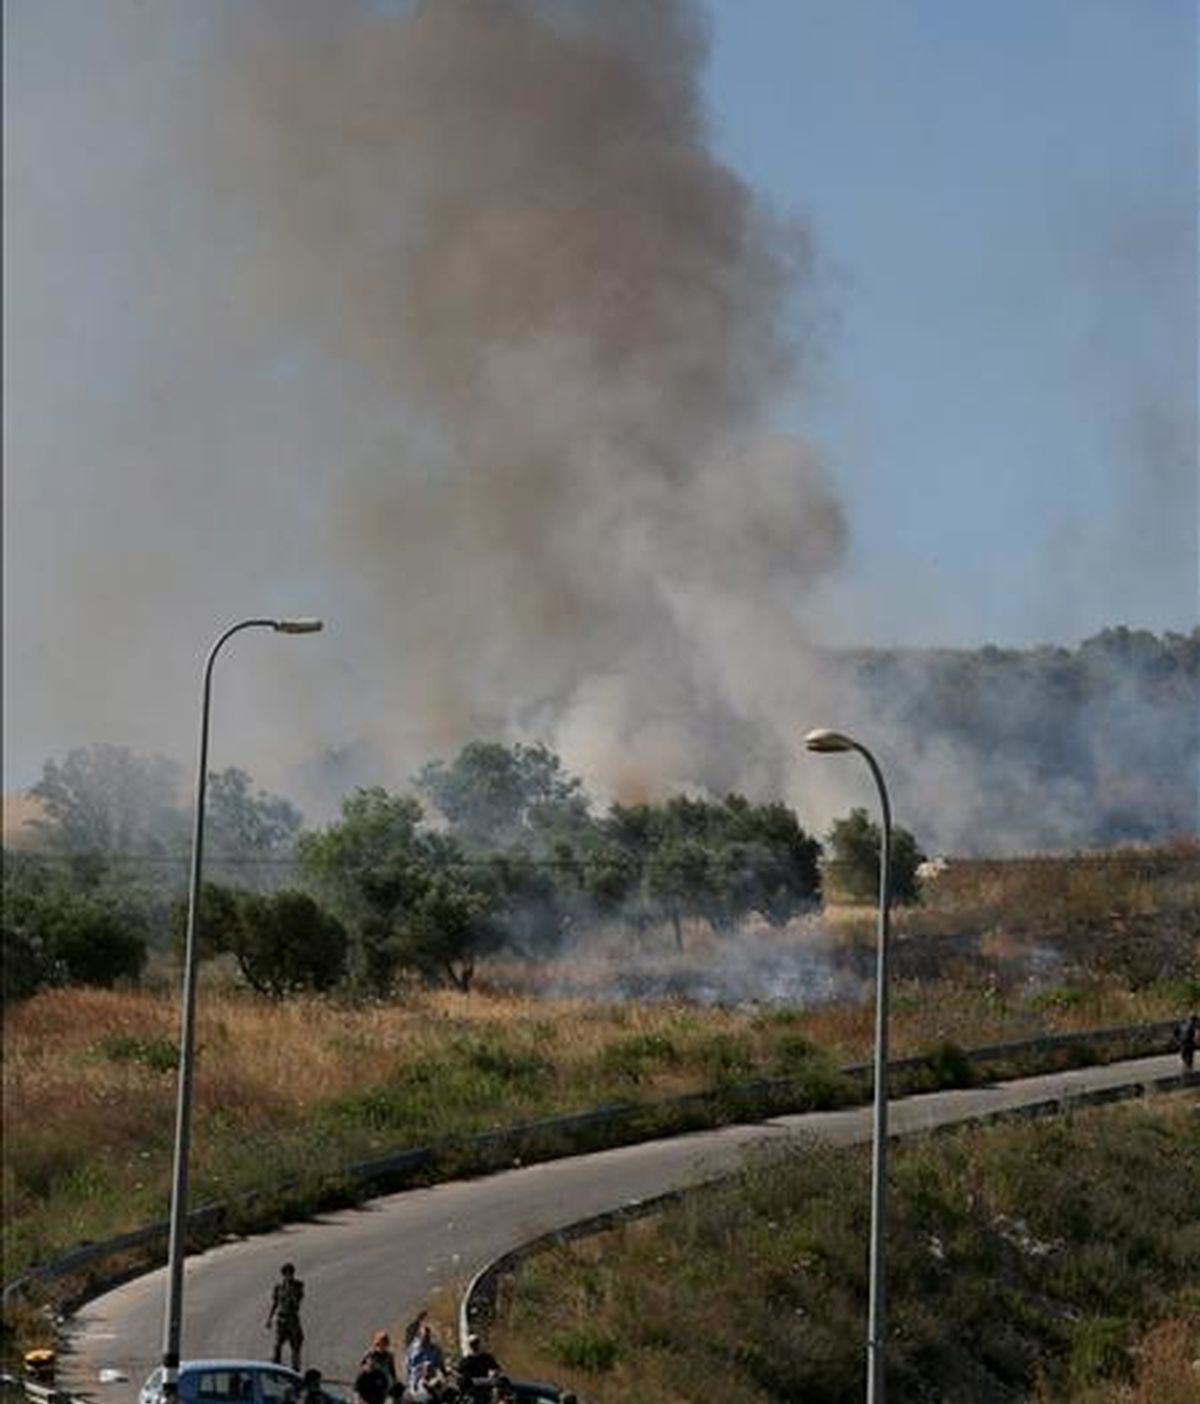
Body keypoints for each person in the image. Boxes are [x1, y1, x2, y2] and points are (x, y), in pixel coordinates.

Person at [266, 1262, 305, 1372]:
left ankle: (295, 1369)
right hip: (281, 1319)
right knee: (277, 1344)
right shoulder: (278, 1287)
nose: (288, 1276)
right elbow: (275, 1303)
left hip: (292, 1318)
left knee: (295, 1344)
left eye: (290, 1273)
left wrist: (292, 1292)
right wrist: (269, 1319)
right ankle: (276, 1367)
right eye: (286, 1273)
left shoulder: (298, 1285)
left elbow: (298, 1302)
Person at [405, 1321, 447, 1398]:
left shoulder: (435, 1350)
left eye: (428, 1337)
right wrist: (409, 1382)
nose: (426, 1339)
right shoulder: (412, 1350)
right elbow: (408, 1367)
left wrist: (445, 1377)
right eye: (424, 1336)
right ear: (419, 1336)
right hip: (416, 1383)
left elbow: (441, 1365)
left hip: (431, 1383)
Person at [454, 1334, 499, 1401]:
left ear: (479, 1344)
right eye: (472, 1344)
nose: (475, 1346)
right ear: (469, 1346)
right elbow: (459, 1374)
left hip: (485, 1383)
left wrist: (493, 1373)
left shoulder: (487, 1357)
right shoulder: (466, 1360)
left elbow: (496, 1369)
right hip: (472, 1387)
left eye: (476, 1343)